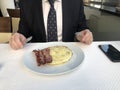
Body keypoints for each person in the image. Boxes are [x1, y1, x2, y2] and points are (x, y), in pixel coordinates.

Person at [9, 0, 93, 50]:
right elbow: (23, 31)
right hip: (38, 53)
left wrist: (84, 34)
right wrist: (19, 37)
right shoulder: (26, 3)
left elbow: (82, 27)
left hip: (68, 51)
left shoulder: (76, 2)